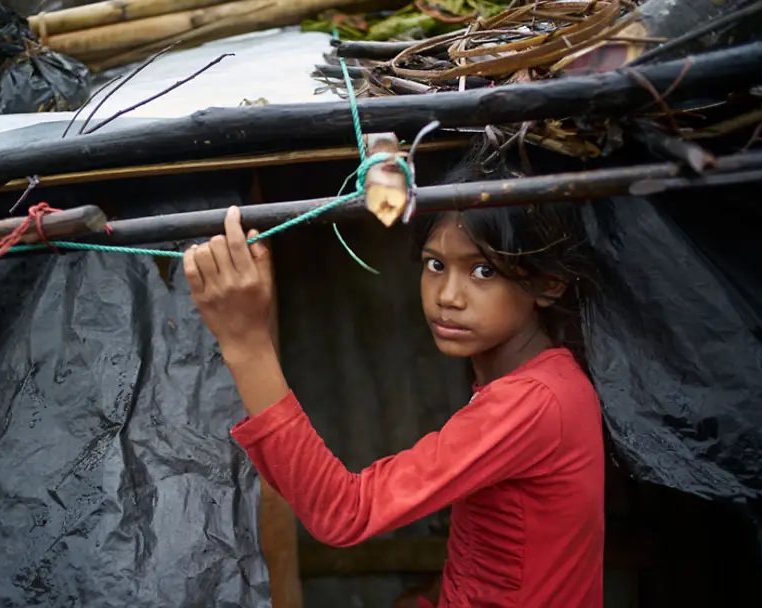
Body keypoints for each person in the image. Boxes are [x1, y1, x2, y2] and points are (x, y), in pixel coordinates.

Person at [182, 178, 605, 607]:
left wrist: (246, 343)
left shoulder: (533, 403)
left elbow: (342, 512)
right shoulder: (548, 382)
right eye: (435, 264)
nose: (448, 296)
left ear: (548, 284)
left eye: (483, 271)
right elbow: (502, 550)